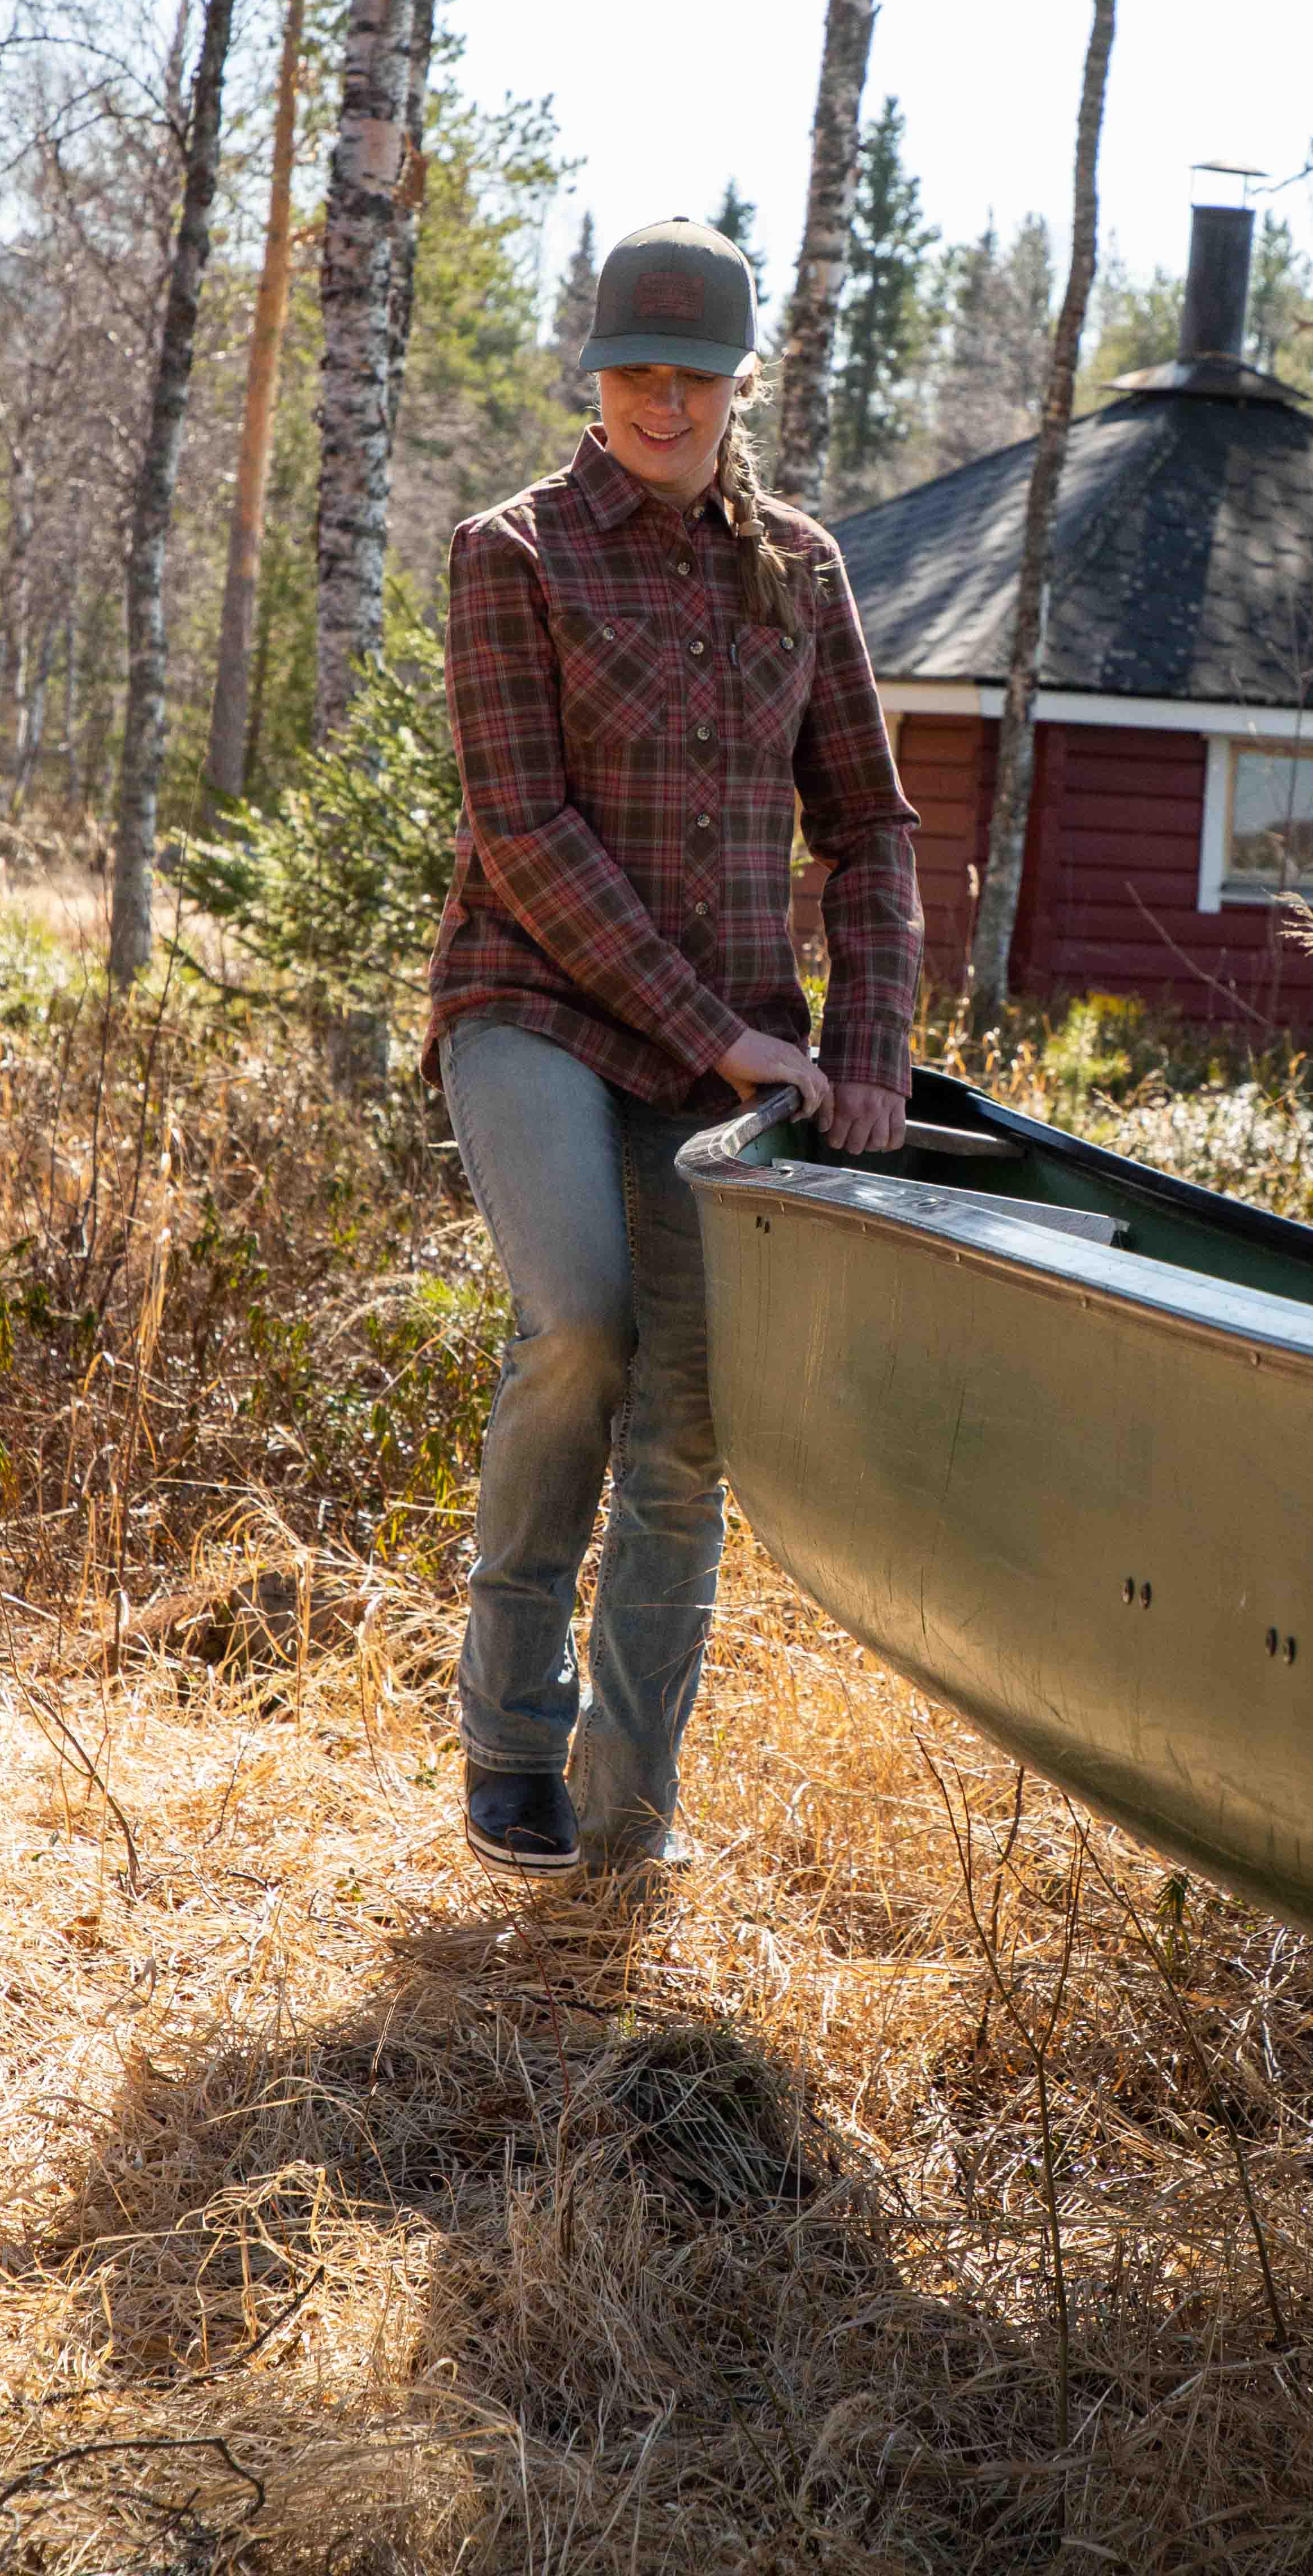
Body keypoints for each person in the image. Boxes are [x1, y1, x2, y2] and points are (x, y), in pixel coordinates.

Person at [423, 213, 922, 1877]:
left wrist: (870, 1054)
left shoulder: (804, 569)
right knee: (581, 1323)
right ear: (599, 376)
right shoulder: (515, 555)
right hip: (536, 1003)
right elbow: (525, 835)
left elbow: (869, 827)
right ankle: (509, 1739)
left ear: (738, 379)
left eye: (694, 374)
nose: (663, 400)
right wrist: (717, 1033)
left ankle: (627, 1813)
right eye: (635, 370)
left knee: (694, 1411)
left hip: (742, 1052)